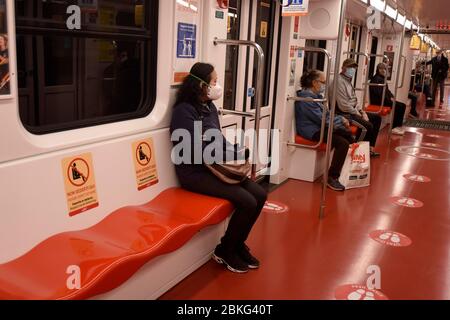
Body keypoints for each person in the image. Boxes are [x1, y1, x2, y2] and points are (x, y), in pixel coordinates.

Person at [170, 62, 267, 274]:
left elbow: (217, 140)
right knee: (247, 201)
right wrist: (220, 153)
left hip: (215, 166)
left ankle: (238, 243)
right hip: (194, 172)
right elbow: (192, 151)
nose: (217, 85)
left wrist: (236, 153)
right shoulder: (184, 111)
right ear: (201, 85)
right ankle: (225, 250)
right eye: (214, 81)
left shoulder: (209, 108)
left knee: (260, 194)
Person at [296, 70, 354, 191]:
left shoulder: (316, 97)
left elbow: (327, 115)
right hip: (311, 130)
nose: (324, 85)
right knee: (342, 143)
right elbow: (323, 120)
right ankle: (332, 177)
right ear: (314, 83)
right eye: (323, 82)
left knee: (348, 136)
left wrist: (340, 119)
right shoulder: (307, 100)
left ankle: (344, 169)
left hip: (319, 126)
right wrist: (341, 121)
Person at [335, 58, 382, 157]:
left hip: (352, 111)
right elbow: (343, 106)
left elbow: (354, 100)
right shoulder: (339, 82)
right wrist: (358, 114)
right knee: (367, 126)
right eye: (350, 67)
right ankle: (356, 152)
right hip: (344, 113)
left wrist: (362, 112)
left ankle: (369, 148)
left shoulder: (348, 82)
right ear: (343, 68)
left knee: (377, 118)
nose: (352, 70)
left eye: (354, 68)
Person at [369, 63, 407, 135]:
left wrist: (391, 96)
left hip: (383, 99)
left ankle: (397, 126)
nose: (387, 71)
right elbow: (380, 94)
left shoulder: (381, 78)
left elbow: (386, 91)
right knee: (400, 106)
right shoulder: (377, 79)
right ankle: (394, 127)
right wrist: (389, 99)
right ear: (380, 70)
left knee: (402, 105)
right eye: (385, 69)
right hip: (379, 101)